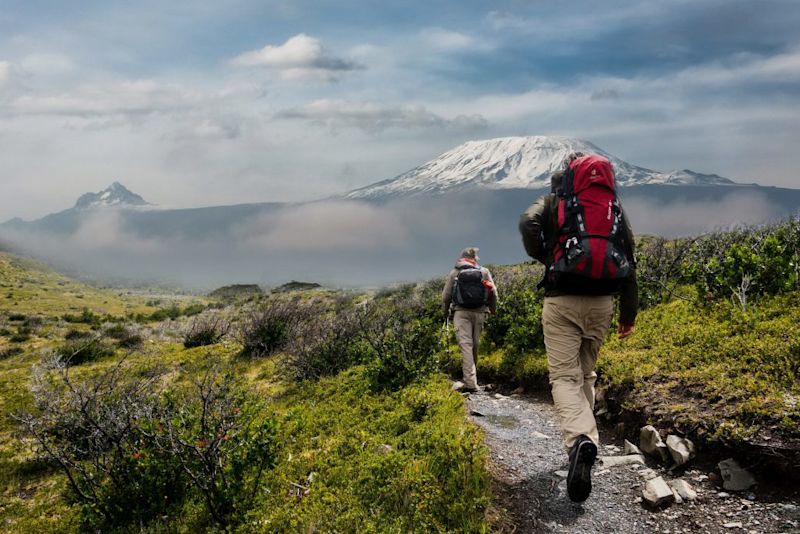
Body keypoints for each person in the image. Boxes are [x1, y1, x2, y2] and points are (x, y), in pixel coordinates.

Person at [519, 152, 638, 503]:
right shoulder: (612, 206)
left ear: (567, 174)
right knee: (586, 374)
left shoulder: (556, 201)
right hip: (603, 302)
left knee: (564, 378)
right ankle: (586, 442)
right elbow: (629, 258)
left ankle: (580, 441)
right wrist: (628, 316)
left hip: (562, 300)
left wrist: (545, 255)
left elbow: (527, 222)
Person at [441, 247, 498, 393]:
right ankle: (471, 379)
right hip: (479, 313)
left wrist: (446, 313)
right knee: (475, 345)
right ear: (475, 258)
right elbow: (493, 292)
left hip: (461, 313)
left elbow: (446, 296)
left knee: (466, 345)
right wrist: (492, 310)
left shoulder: (455, 272)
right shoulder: (483, 272)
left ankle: (471, 382)